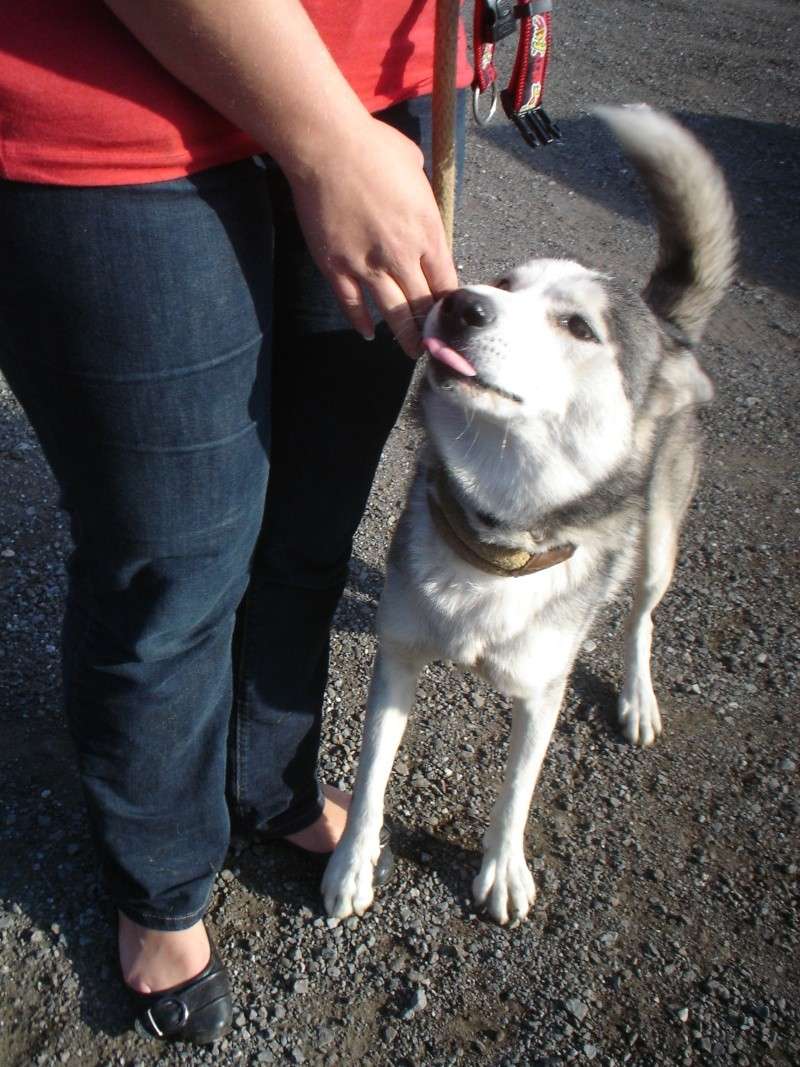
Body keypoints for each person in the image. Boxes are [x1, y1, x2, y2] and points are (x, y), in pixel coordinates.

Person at [0, 0, 470, 1044]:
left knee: (310, 521)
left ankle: (267, 780)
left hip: (385, 85)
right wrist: (325, 138)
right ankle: (160, 881)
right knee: (175, 559)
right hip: (107, 109)